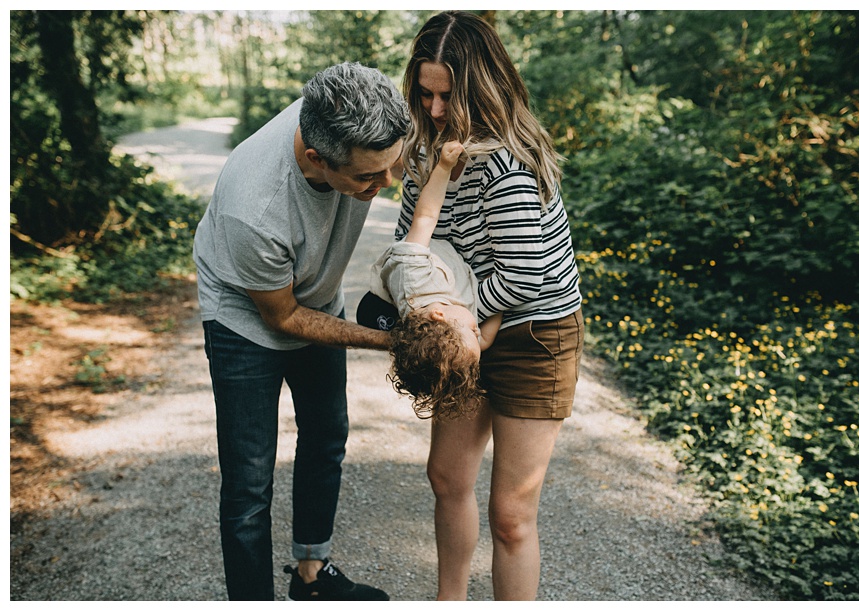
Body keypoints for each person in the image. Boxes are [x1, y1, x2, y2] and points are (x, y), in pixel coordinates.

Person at [191, 61, 402, 601]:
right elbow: (283, 318)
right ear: (316, 158)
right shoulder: (254, 205)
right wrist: (388, 341)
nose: (387, 184)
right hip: (246, 319)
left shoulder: (358, 125)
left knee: (327, 436)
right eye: (368, 178)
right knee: (249, 482)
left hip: (316, 297)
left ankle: (311, 575)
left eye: (390, 167)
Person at [397, 11, 584, 601]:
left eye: (446, 95)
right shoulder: (427, 156)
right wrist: (443, 319)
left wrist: (477, 322)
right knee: (447, 476)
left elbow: (525, 275)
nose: (432, 109)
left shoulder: (507, 160)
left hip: (536, 330)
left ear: (480, 86)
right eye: (424, 93)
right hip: (470, 323)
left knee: (511, 512)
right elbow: (412, 243)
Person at [373, 139, 503, 421]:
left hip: (430, 251)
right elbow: (486, 338)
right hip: (459, 268)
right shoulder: (460, 340)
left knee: (422, 226)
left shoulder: (416, 277)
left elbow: (426, 217)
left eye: (472, 331)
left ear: (439, 315)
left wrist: (444, 166)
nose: (478, 332)